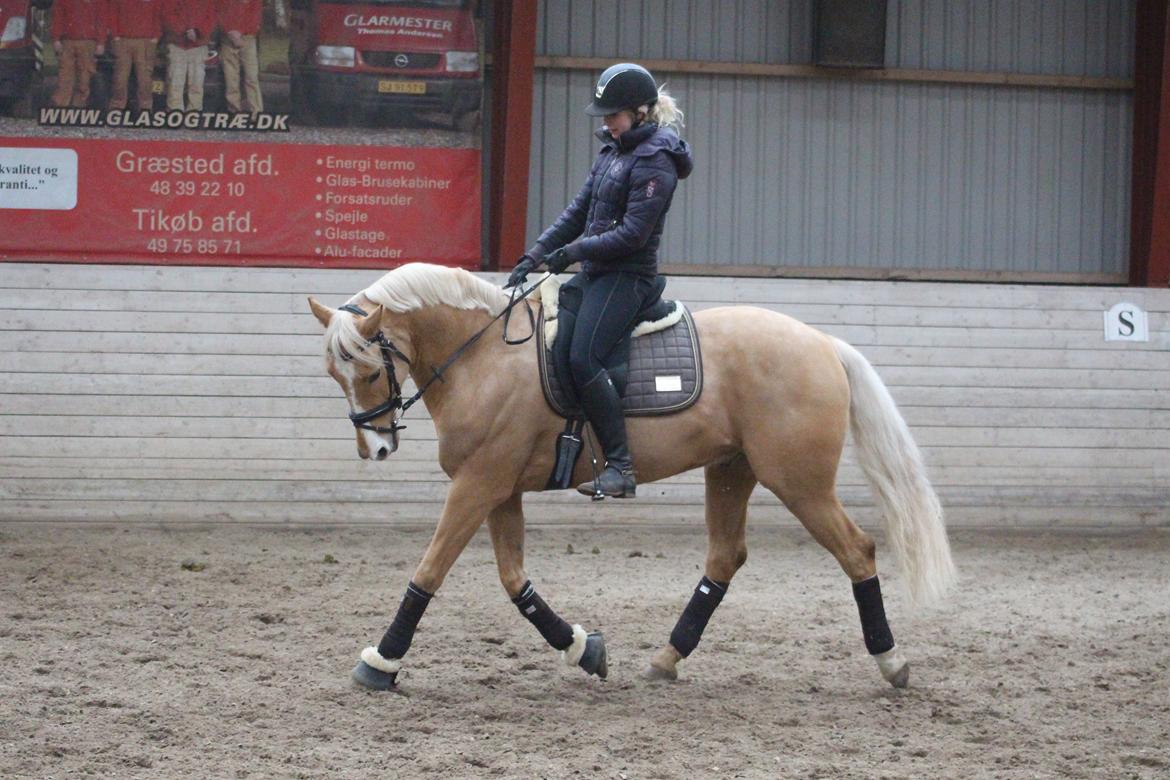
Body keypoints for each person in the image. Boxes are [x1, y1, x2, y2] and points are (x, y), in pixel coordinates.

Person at [507, 63, 693, 499]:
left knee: (582, 358)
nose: (607, 123)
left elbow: (632, 234)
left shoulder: (657, 160)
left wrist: (571, 253)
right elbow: (577, 213)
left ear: (641, 111)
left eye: (613, 115)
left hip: (628, 278)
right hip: (595, 273)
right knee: (555, 344)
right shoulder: (613, 152)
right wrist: (533, 254)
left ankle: (621, 466)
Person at [50, 0, 110, 108]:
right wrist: (56, 38)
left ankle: (79, 105)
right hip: (67, 41)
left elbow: (102, 20)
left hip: (88, 42)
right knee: (65, 74)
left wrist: (101, 42)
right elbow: (58, 17)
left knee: (85, 75)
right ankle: (60, 106)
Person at [108, 0, 162, 111]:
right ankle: (117, 107)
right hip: (123, 40)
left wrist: (155, 37)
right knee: (120, 77)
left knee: (144, 78)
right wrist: (116, 36)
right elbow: (113, 14)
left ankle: (145, 108)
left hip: (145, 42)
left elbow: (158, 15)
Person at [162, 0, 214, 111]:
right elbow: (167, 15)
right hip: (177, 45)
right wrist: (185, 31)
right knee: (175, 82)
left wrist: (197, 31)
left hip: (198, 46)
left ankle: (194, 113)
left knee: (196, 83)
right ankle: (175, 113)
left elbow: (211, 16)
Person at [217, 0, 263, 113]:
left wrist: (241, 31)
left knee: (251, 77)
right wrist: (229, 31)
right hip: (227, 39)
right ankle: (234, 111)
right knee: (231, 78)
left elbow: (255, 15)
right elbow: (218, 12)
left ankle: (256, 112)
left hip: (247, 39)